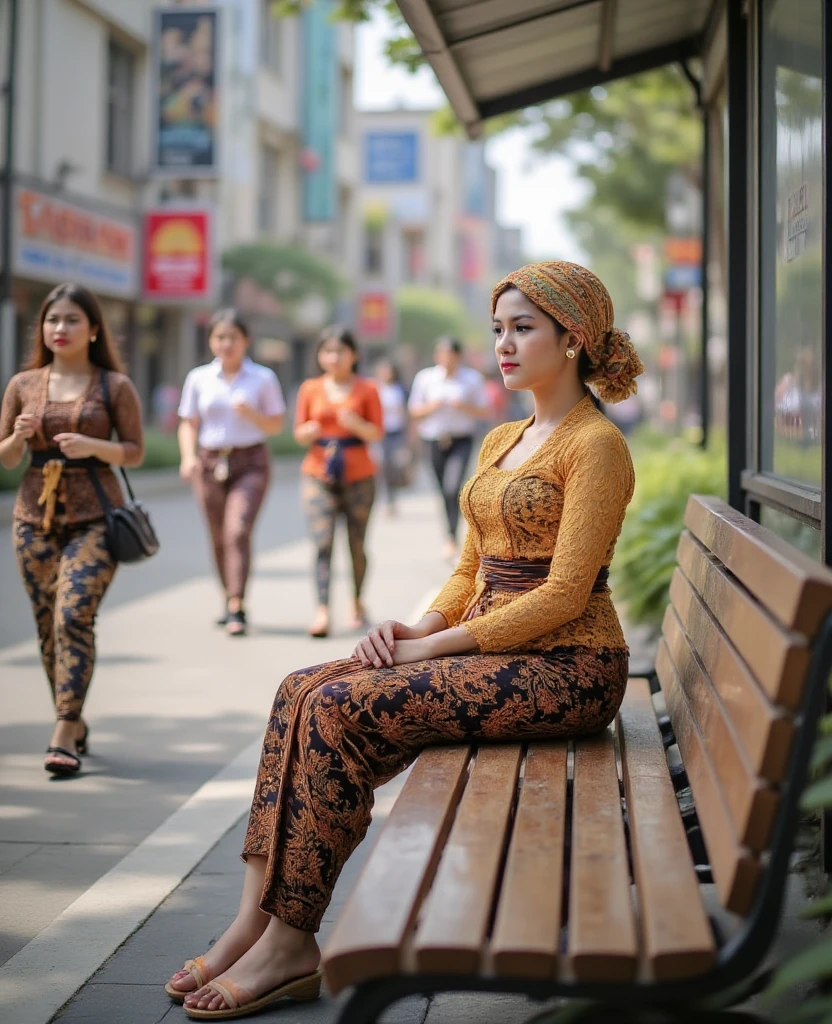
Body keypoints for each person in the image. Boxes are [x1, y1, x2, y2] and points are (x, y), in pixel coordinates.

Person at [165, 260, 644, 1019]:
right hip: (499, 652)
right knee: (299, 689)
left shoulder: (595, 446)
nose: (504, 344)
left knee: (337, 712)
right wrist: (413, 626)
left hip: (567, 667)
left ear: (575, 339)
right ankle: (249, 926)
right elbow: (468, 570)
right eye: (498, 329)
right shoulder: (500, 440)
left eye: (523, 328)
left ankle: (292, 941)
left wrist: (433, 651)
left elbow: (562, 596)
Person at [0, 282, 144, 777]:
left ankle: (63, 725)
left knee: (72, 617)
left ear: (94, 329)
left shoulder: (114, 387)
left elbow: (135, 451)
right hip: (32, 519)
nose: (60, 328)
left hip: (96, 519)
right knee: (47, 627)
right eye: (52, 320)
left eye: (72, 320)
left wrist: (92, 445)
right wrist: (17, 439)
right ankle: (74, 715)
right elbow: (5, 458)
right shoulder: (22, 384)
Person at [178, 308, 286, 637]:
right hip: (210, 462)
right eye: (219, 337)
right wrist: (188, 457)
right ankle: (229, 597)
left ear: (245, 341)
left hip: (250, 461)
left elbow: (277, 424)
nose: (226, 344)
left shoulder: (263, 378)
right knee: (218, 535)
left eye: (233, 338)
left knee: (236, 530)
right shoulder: (198, 378)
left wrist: (252, 414)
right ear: (211, 341)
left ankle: (237, 604)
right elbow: (188, 422)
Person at [294, 326, 383, 639]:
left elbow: (376, 433)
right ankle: (322, 610)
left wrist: (355, 424)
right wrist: (308, 432)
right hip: (318, 472)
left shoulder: (367, 389)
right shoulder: (310, 389)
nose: (333, 357)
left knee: (356, 544)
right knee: (322, 542)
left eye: (340, 351)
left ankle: (357, 601)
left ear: (353, 355)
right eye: (327, 351)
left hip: (359, 473)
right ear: (320, 356)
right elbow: (299, 432)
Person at [408, 337, 489, 561]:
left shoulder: (471, 379)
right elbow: (414, 411)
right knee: (443, 490)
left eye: (450, 355)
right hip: (433, 440)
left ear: (458, 356)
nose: (446, 359)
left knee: (453, 487)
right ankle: (450, 532)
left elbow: (484, 410)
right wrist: (430, 408)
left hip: (460, 440)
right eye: (441, 354)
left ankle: (452, 536)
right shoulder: (425, 378)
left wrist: (464, 407)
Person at [374, 359, 409, 516]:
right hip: (380, 434)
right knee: (383, 464)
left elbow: (409, 412)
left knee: (394, 465)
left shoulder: (400, 390)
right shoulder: (375, 389)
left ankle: (393, 497)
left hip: (397, 433)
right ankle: (387, 498)